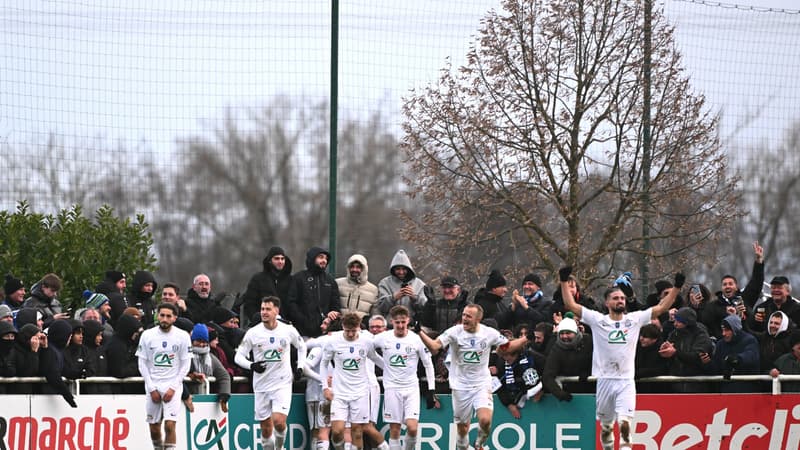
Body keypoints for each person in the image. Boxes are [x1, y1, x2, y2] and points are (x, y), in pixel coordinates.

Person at [559, 266, 681, 450]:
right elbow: (571, 305)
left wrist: (677, 287)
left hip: (625, 381)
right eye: (616, 298)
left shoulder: (634, 319)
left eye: (622, 298)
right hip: (605, 381)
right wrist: (563, 281)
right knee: (606, 427)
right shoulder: (598, 320)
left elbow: (662, 307)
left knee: (625, 424)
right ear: (607, 302)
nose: (620, 300)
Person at [418, 304, 528, 450]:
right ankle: (464, 447)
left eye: (468, 316)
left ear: (478, 319)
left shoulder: (489, 333)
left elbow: (507, 347)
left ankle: (479, 444)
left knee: (485, 420)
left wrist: (525, 339)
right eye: (463, 315)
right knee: (463, 429)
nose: (464, 318)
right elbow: (434, 346)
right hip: (460, 386)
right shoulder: (454, 332)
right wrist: (419, 331)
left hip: (481, 384)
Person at [235, 296, 307, 450]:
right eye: (262, 309)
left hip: (282, 383)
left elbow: (302, 346)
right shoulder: (253, 333)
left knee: (279, 422)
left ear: (276, 311)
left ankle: (279, 448)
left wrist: (300, 366)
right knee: (266, 430)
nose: (264, 312)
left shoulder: (287, 330)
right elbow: (238, 356)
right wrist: (252, 365)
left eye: (268, 309)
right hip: (261, 385)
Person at [372, 306, 437, 450]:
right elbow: (367, 349)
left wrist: (431, 390)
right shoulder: (383, 337)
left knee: (412, 428)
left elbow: (428, 365)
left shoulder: (416, 339)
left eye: (403, 322)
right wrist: (384, 365)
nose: (400, 325)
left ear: (408, 320)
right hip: (392, 389)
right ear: (391, 321)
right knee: (394, 430)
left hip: (411, 388)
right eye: (397, 322)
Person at [320, 313, 388, 450]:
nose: (350, 334)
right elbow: (324, 363)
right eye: (347, 331)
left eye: (353, 331)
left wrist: (392, 369)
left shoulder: (366, 342)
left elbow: (376, 359)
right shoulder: (333, 341)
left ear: (359, 328)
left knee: (357, 431)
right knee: (338, 431)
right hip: (340, 393)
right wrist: (325, 387)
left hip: (360, 393)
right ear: (343, 327)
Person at [136, 303, 192, 450]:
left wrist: (173, 388)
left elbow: (185, 365)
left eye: (168, 316)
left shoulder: (182, 336)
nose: (164, 319)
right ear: (157, 316)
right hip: (153, 384)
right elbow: (142, 363)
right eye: (162, 315)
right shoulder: (148, 335)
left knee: (169, 424)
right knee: (154, 428)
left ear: (174, 318)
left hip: (172, 384)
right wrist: (151, 387)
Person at [286, 246, 341, 338]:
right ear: (312, 258)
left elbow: (336, 304)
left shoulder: (330, 280)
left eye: (326, 258)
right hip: (302, 332)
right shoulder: (299, 278)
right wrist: (303, 320)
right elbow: (291, 303)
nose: (324, 260)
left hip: (325, 332)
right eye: (321, 257)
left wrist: (332, 314)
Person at [658, 307, 713, 393]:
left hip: (696, 385)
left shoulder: (701, 335)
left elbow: (697, 357)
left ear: (687, 322)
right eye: (675, 320)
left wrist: (675, 353)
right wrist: (664, 352)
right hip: (675, 383)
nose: (675, 324)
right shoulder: (674, 334)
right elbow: (670, 355)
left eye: (679, 321)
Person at [541, 315, 593, 401]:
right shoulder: (556, 349)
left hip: (591, 388)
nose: (564, 336)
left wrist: (589, 372)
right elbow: (547, 375)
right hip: (570, 390)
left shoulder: (588, 341)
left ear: (575, 332)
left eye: (568, 333)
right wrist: (559, 393)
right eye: (562, 333)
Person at [240, 246, 293, 328]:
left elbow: (294, 304)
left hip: (285, 326)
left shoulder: (291, 280)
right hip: (262, 325)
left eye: (282, 259)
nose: (280, 261)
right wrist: (258, 319)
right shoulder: (258, 279)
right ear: (270, 261)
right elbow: (250, 303)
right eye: (277, 259)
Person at [185, 324, 231, 413]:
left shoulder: (211, 357)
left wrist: (224, 396)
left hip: (205, 401)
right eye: (198, 341)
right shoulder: (185, 355)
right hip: (186, 398)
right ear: (192, 340)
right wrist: (192, 375)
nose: (201, 344)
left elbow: (224, 376)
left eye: (204, 341)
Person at [708, 314, 760, 393]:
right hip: (725, 390)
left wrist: (736, 359)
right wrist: (706, 362)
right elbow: (715, 366)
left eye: (727, 330)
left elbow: (751, 356)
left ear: (735, 329)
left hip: (747, 390)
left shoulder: (750, 340)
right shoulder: (721, 344)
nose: (724, 333)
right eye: (723, 330)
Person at [376, 249, 428, 322]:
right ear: (393, 269)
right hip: (390, 326)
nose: (401, 272)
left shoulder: (420, 284)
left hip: (412, 326)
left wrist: (414, 298)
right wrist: (393, 298)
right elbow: (381, 308)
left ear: (409, 269)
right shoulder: (384, 283)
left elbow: (426, 308)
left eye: (404, 269)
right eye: (398, 269)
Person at [336, 254, 379, 324]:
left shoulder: (373, 290)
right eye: (352, 267)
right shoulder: (338, 284)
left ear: (364, 269)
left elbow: (374, 315)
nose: (354, 269)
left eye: (358, 267)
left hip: (361, 330)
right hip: (339, 328)